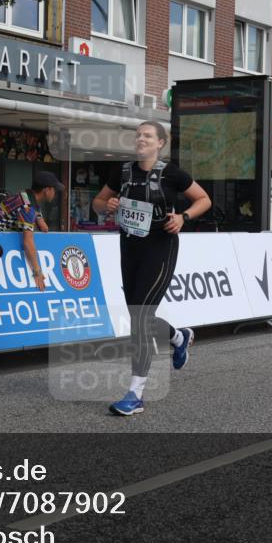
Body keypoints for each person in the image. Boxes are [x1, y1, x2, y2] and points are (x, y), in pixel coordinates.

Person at [91, 121, 212, 416]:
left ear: (160, 143)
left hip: (160, 247)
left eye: (147, 136)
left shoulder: (172, 173)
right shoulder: (122, 172)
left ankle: (135, 393)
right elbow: (97, 202)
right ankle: (179, 337)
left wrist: (183, 217)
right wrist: (106, 206)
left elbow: (204, 199)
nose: (140, 139)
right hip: (130, 246)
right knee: (138, 314)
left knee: (141, 317)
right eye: (138, 135)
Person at [0, 171, 64, 292]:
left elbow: (43, 225)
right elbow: (27, 242)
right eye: (54, 189)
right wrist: (37, 272)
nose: (55, 193)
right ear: (46, 190)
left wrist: (39, 218)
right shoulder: (27, 207)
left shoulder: (25, 195)